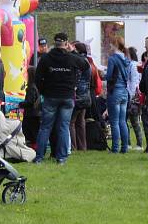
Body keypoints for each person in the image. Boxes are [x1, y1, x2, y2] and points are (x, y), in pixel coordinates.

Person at [34, 32, 88, 164]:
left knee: (45, 127)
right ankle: (62, 157)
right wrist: (73, 51)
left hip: (50, 96)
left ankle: (39, 157)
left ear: (54, 43)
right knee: (63, 127)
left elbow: (37, 78)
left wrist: (43, 91)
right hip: (67, 97)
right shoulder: (71, 58)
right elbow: (85, 65)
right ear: (66, 43)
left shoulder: (46, 58)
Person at [106, 38, 131, 154]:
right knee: (122, 121)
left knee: (114, 122)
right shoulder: (127, 59)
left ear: (115, 45)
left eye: (111, 44)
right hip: (124, 92)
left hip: (115, 91)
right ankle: (124, 147)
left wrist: (103, 74)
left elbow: (109, 76)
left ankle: (115, 148)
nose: (109, 46)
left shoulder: (112, 59)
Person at [69, 42, 93, 151]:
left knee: (71, 121)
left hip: (78, 94)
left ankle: (73, 146)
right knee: (80, 121)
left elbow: (76, 78)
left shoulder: (79, 61)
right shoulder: (87, 61)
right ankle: (83, 146)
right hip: (85, 94)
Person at [126, 47, 144, 151]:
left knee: (134, 121)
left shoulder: (133, 65)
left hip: (133, 97)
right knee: (128, 121)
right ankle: (129, 143)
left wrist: (131, 95)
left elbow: (134, 81)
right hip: (131, 95)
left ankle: (139, 144)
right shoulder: (131, 65)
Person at [20, 66, 41, 146]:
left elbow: (30, 102)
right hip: (36, 114)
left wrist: (21, 104)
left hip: (31, 115)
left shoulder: (31, 87)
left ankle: (33, 149)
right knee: (35, 133)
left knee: (29, 134)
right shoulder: (37, 86)